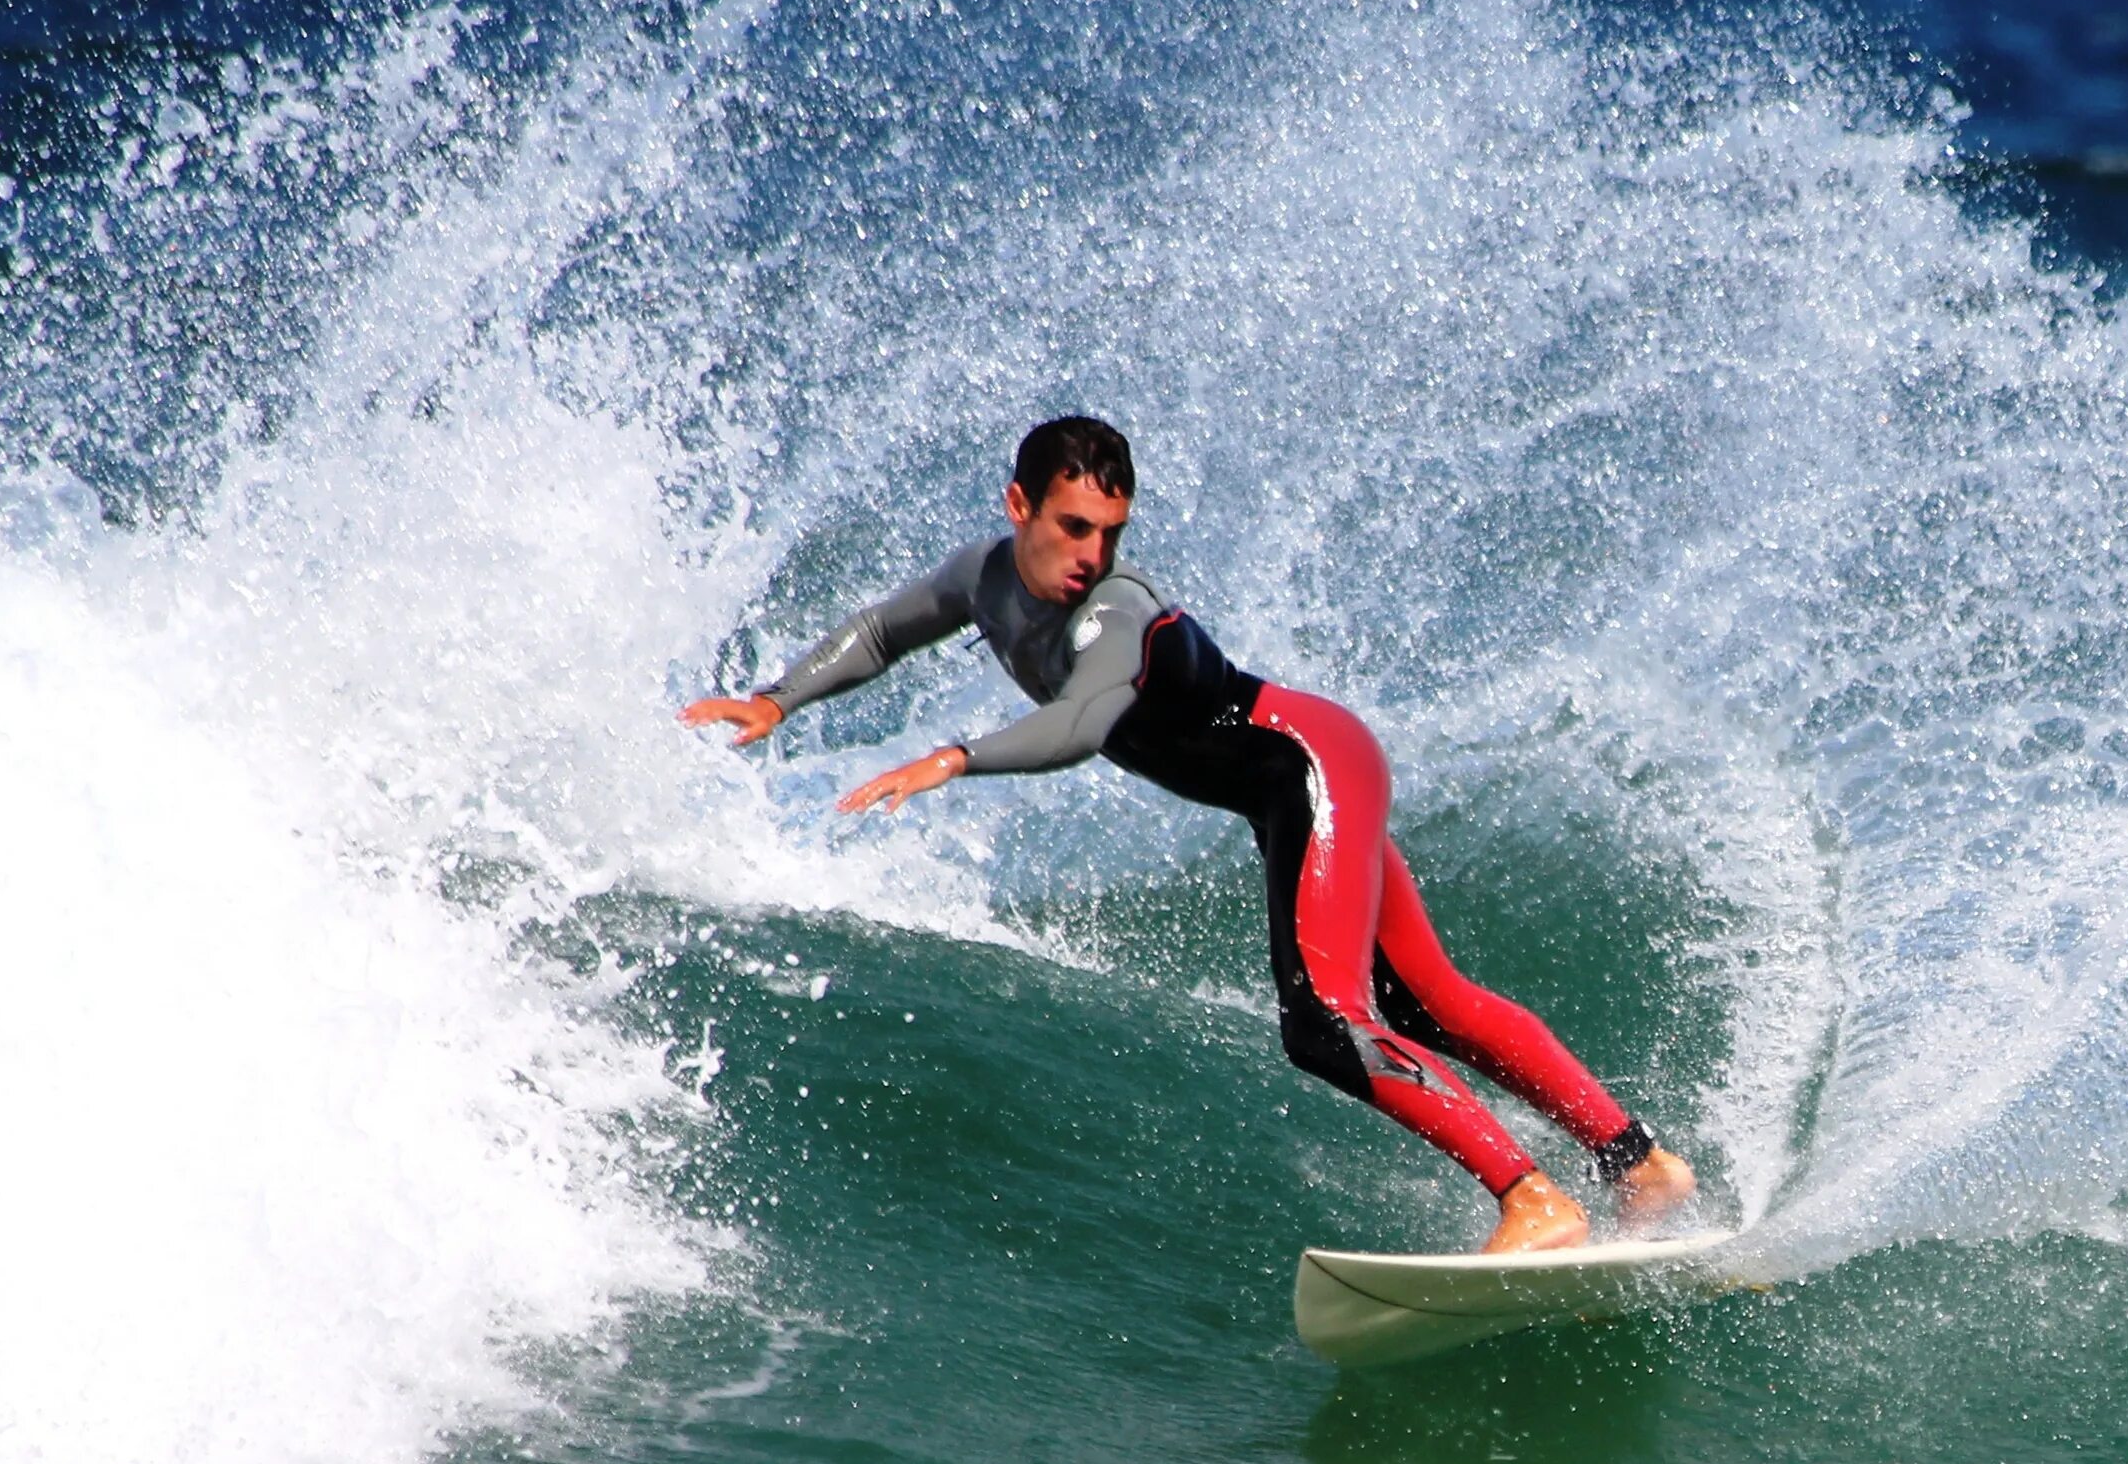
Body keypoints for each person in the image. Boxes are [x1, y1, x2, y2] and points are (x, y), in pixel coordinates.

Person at [682, 416, 1695, 1253]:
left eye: (1110, 533)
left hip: (1308, 766)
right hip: (1299, 776)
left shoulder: (1116, 613)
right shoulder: (981, 578)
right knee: (1424, 1002)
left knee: (1326, 1023)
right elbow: (879, 631)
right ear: (1018, 505)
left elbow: (1081, 721)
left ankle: (1533, 1199)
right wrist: (776, 700)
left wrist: (954, 757)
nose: (1092, 556)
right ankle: (1639, 1163)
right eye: (1073, 527)